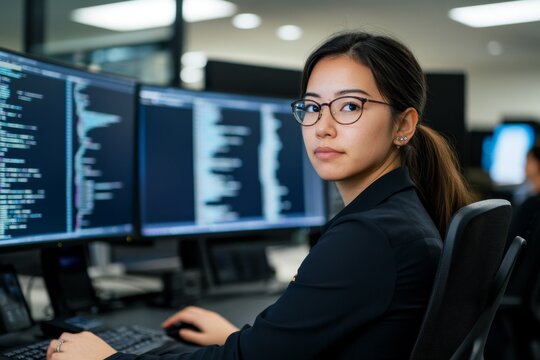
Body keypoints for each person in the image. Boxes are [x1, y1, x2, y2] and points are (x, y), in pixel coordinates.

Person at [47, 31, 474, 360]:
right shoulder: (397, 215)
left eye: (349, 106)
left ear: (404, 125)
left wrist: (109, 357)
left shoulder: (369, 236)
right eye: (312, 107)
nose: (322, 127)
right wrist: (241, 340)